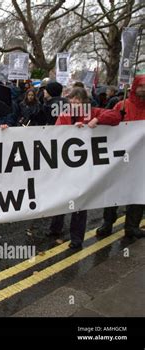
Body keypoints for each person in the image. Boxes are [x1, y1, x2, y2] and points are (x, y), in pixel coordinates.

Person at [48, 87, 121, 250]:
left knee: (80, 203)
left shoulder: (92, 112)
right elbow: (54, 133)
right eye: (72, 99)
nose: (74, 103)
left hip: (83, 167)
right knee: (60, 196)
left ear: (84, 102)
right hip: (65, 164)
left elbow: (115, 116)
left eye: (78, 100)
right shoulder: (64, 114)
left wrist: (96, 121)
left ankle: (76, 239)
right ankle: (55, 228)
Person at [96, 73, 145, 239]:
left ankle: (132, 226)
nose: (143, 89)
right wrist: (117, 116)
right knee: (113, 191)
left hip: (141, 161)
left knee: (138, 193)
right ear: (134, 86)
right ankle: (107, 222)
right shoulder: (121, 105)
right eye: (141, 86)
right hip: (119, 158)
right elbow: (105, 120)